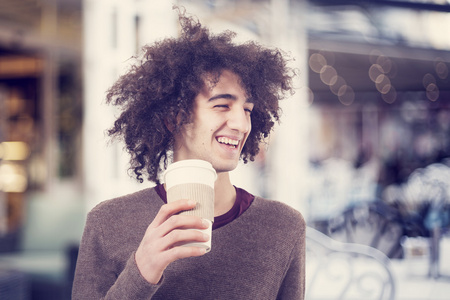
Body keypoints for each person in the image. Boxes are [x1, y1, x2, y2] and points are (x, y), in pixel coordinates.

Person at [72, 8, 305, 300]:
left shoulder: (283, 226)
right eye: (222, 105)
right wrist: (142, 270)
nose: (241, 123)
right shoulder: (108, 222)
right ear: (175, 117)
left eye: (247, 109)